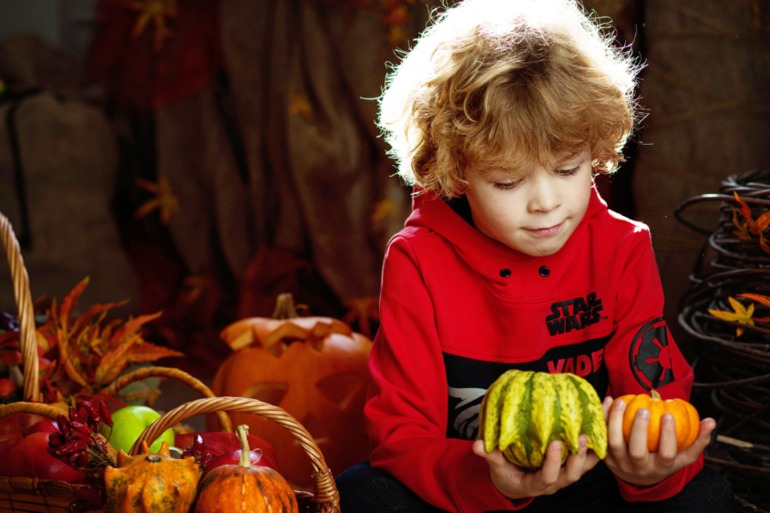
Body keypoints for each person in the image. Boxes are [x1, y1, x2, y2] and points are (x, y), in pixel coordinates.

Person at [334, 0, 737, 512]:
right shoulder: (418, 260)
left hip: (593, 480)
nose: (546, 202)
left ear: (595, 151)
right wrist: (494, 484)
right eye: (508, 181)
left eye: (568, 169)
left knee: (706, 495)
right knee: (364, 494)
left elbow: (657, 402)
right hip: (474, 483)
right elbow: (401, 434)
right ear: (455, 172)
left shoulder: (621, 247)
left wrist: (649, 471)